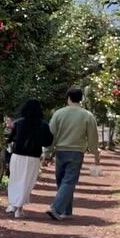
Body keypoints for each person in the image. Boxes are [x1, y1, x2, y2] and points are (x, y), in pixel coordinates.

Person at [46, 87, 100, 221]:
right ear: (81, 99)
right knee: (69, 181)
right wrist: (95, 152)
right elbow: (93, 137)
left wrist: (47, 152)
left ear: (68, 98)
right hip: (77, 152)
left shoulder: (58, 113)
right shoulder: (87, 115)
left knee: (62, 180)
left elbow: (51, 135)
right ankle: (63, 210)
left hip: (60, 151)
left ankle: (58, 209)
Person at [5, 100, 52, 217]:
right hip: (33, 158)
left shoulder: (18, 123)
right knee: (27, 182)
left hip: (17, 155)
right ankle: (18, 208)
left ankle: (13, 204)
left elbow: (10, 138)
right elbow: (48, 142)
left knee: (15, 180)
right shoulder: (43, 125)